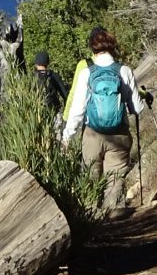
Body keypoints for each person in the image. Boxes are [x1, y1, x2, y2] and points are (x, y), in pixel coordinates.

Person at [59, 27, 144, 219]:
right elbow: (136, 108)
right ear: (112, 46)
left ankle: (93, 226)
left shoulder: (87, 73)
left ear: (92, 47)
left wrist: (67, 136)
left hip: (92, 136)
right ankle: (115, 226)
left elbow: (77, 110)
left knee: (91, 182)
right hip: (119, 135)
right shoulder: (124, 71)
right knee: (115, 182)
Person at [32, 51, 68, 119]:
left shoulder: (31, 77)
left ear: (36, 64)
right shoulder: (54, 75)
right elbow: (65, 94)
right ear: (48, 63)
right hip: (54, 112)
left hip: (37, 114)